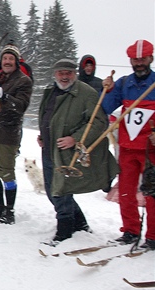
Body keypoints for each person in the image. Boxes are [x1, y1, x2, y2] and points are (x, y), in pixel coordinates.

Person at [38, 59, 118, 243]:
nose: (64, 76)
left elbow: (98, 122)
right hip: (49, 149)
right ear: (55, 74)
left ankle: (64, 231)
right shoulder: (50, 91)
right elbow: (47, 116)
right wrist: (43, 134)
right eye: (61, 73)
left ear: (75, 74)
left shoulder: (86, 93)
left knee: (61, 191)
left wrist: (75, 139)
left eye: (68, 73)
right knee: (52, 191)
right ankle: (80, 223)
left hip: (68, 151)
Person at [101, 39, 155, 250]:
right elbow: (105, 107)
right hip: (128, 147)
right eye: (135, 59)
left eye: (142, 59)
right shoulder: (124, 84)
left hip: (151, 149)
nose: (139, 63)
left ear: (150, 58)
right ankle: (130, 231)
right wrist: (106, 89)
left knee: (152, 194)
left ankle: (152, 236)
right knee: (125, 192)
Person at [0, 42, 32, 224]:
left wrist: (6, 97)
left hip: (7, 133)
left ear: (16, 62)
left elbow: (21, 106)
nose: (7, 61)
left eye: (11, 59)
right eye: (5, 58)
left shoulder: (23, 81)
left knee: (6, 172)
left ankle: (10, 211)